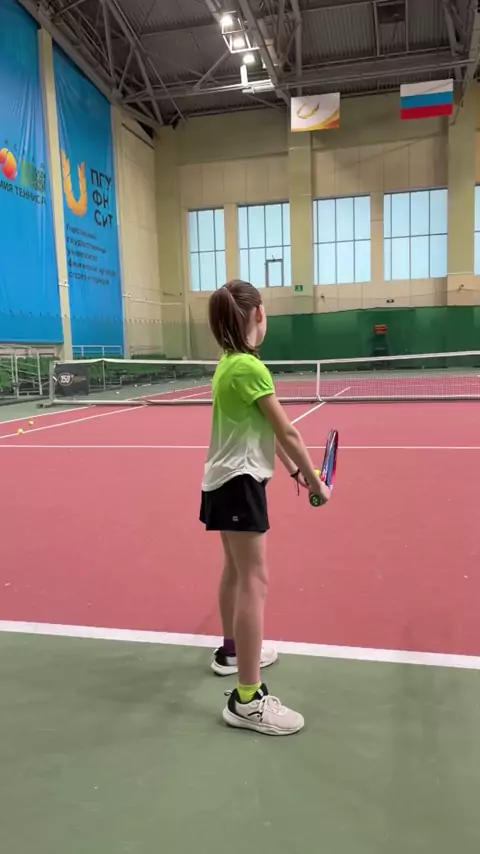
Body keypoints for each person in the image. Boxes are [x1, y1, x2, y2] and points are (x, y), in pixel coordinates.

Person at [200, 279, 329, 736]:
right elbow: (288, 431)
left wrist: (295, 473)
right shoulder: (250, 368)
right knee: (254, 580)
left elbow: (263, 431)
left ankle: (232, 651)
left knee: (236, 573)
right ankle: (248, 699)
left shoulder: (227, 365)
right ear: (258, 315)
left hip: (222, 482)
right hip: (239, 484)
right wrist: (317, 481)